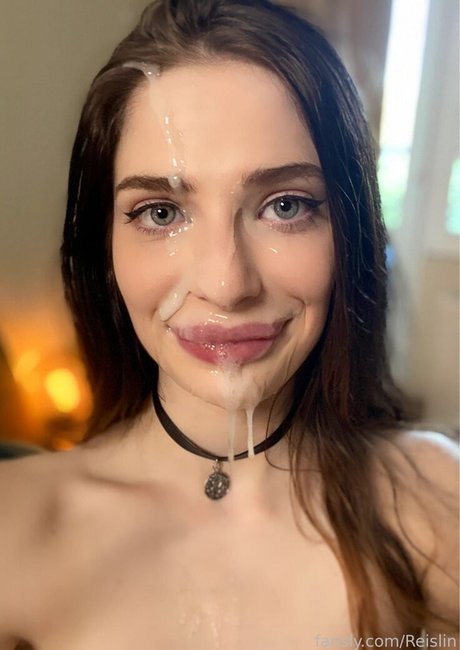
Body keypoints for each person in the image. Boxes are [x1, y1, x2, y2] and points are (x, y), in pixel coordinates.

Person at [0, 0, 458, 647]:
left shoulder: (437, 499)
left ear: (349, 231)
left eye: (285, 205)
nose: (227, 285)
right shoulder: (13, 528)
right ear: (104, 248)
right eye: (161, 213)